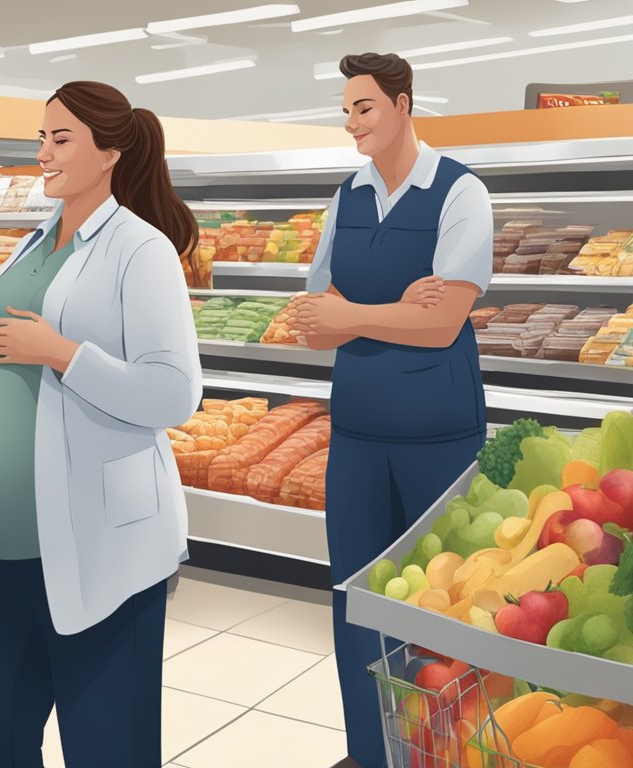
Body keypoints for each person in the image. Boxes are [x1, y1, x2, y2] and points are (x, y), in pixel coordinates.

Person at [0, 81, 203, 768]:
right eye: (41, 137)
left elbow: (174, 391)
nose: (41, 152)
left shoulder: (141, 250)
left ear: (110, 152)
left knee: (107, 746)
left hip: (93, 544)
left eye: (60, 138)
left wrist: (63, 355)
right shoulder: (32, 243)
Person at [289, 52, 493, 768]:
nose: (351, 123)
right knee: (356, 602)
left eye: (365, 107)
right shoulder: (344, 197)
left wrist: (355, 315)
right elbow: (313, 323)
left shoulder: (460, 192)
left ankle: (446, 753)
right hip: (358, 435)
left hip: (438, 434)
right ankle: (370, 752)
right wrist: (397, 307)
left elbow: (443, 324)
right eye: (345, 110)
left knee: (445, 602)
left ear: (405, 104)